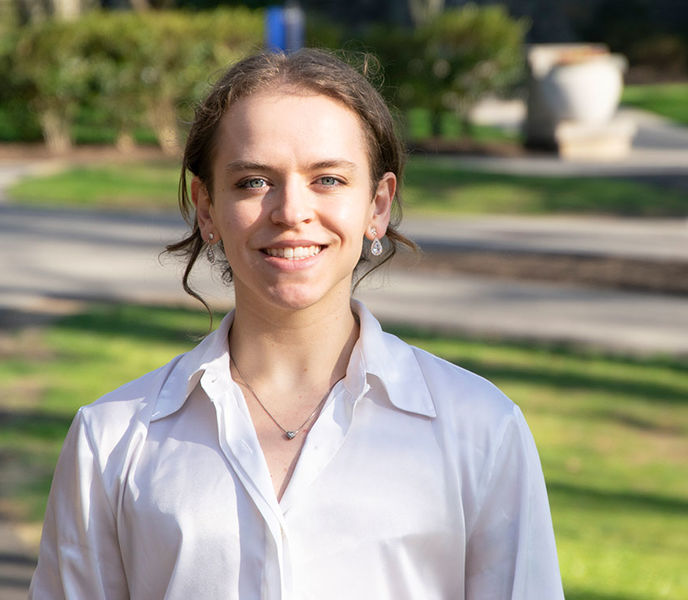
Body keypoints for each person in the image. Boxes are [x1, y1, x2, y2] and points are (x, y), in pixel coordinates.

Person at [29, 48, 564, 599]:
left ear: (377, 205)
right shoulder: (113, 440)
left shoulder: (480, 430)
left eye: (328, 179)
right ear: (206, 207)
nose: (291, 211)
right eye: (254, 181)